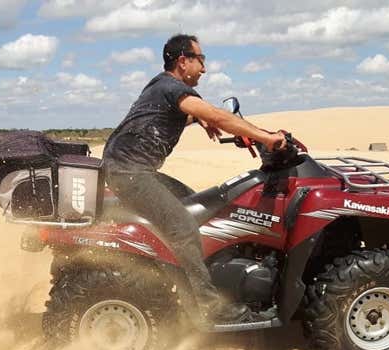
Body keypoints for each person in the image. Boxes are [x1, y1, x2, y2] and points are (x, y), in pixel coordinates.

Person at [102, 34, 285, 325]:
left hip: (131, 170)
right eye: (201, 60)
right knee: (184, 226)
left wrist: (198, 120)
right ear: (183, 61)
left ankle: (203, 274)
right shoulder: (173, 87)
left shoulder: (161, 87)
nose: (204, 68)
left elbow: (175, 115)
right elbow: (216, 113)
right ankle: (211, 307)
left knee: (197, 206)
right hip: (130, 174)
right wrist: (267, 137)